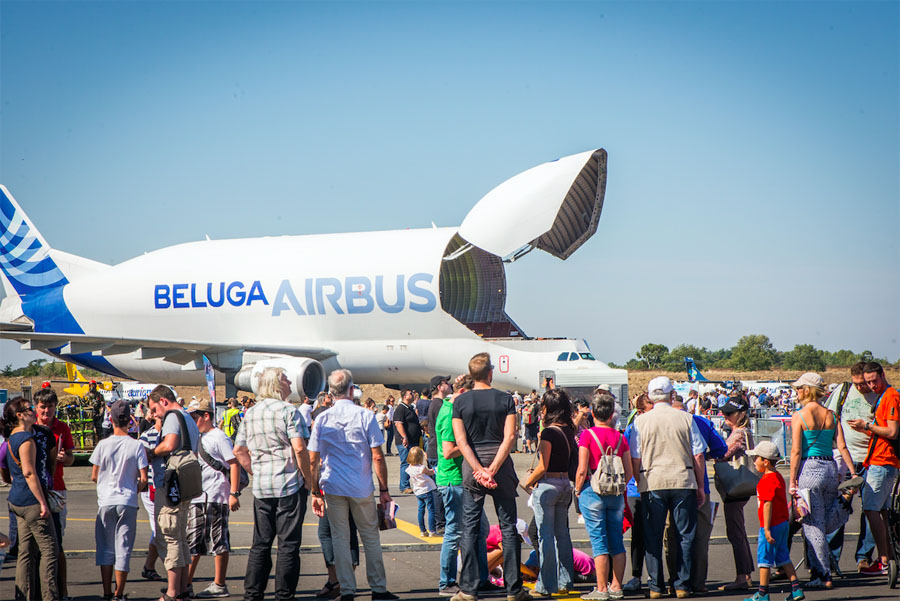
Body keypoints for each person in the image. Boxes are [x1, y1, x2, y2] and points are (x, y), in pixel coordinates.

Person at [308, 368, 399, 601]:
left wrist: (314, 491)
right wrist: (385, 490)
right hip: (360, 486)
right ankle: (378, 588)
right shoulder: (365, 416)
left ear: (331, 392)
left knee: (340, 537)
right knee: (370, 537)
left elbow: (313, 459)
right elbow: (377, 456)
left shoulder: (322, 418)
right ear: (351, 390)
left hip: (333, 485)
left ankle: (347, 589)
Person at [451, 352, 530, 601]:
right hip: (501, 469)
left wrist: (478, 469)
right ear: (490, 373)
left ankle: (469, 589)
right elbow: (509, 437)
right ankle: (514, 589)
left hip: (473, 470)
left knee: (470, 529)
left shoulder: (460, 402)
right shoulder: (505, 399)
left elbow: (461, 442)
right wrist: (493, 468)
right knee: (508, 527)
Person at [233, 367, 311, 601]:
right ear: (278, 385)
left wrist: (255, 470)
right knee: (288, 545)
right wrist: (309, 480)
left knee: (261, 543)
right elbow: (299, 448)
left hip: (263, 487)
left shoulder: (251, 413)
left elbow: (239, 450)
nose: (290, 383)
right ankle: (284, 595)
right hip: (288, 483)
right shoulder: (289, 411)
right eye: (286, 380)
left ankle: (253, 593)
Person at [629, 376, 707, 600]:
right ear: (672, 395)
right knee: (685, 534)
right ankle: (681, 584)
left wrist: (639, 479)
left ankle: (655, 586)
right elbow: (699, 454)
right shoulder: (685, 418)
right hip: (683, 479)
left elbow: (635, 457)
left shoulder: (640, 422)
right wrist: (701, 485)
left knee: (652, 536)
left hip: (652, 481)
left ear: (650, 396)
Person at [788, 372, 857, 589]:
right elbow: (842, 446)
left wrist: (792, 480)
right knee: (824, 519)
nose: (796, 392)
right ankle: (822, 568)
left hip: (810, 469)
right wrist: (853, 474)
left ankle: (822, 573)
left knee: (812, 523)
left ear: (807, 390)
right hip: (830, 467)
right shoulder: (831, 415)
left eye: (799, 388)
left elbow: (796, 451)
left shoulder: (799, 416)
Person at [435, 374, 493, 597]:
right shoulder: (450, 413)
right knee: (455, 531)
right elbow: (449, 451)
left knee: (480, 530)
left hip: (461, 480)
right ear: (461, 393)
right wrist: (468, 443)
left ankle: (480, 577)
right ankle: (447, 581)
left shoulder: (452, 408)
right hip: (454, 480)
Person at [574, 390, 634, 600]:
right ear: (611, 415)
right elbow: (629, 471)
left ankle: (601, 588)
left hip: (593, 491)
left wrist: (578, 490)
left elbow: (582, 469)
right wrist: (618, 486)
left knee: (599, 541)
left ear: (593, 413)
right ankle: (617, 586)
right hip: (616, 493)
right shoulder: (619, 437)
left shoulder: (587, 436)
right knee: (616, 540)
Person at [667, 394, 727, 594]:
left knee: (674, 536)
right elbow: (721, 449)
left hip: (672, 484)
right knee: (700, 537)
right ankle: (698, 582)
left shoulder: (664, 422)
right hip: (700, 486)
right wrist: (704, 458)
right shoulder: (702, 422)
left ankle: (676, 582)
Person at [1, 395, 59, 601]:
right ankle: (50, 597)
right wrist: (42, 501)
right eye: (29, 409)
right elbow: (29, 472)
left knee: (25, 552)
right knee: (50, 552)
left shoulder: (10, 439)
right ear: (20, 416)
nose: (34, 412)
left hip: (16, 500)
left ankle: (23, 596)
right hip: (31, 501)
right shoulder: (26, 439)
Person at [91, 400, 149, 601]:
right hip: (128, 500)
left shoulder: (102, 445)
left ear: (111, 419)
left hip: (106, 500)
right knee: (123, 548)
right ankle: (119, 593)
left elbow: (94, 475)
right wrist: (134, 488)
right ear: (129, 421)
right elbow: (143, 478)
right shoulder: (137, 445)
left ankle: (107, 592)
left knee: (106, 548)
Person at [147, 384, 201, 601]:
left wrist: (151, 452)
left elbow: (169, 444)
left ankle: (172, 592)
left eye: (154, 409)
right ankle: (182, 588)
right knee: (180, 537)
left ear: (163, 401)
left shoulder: (171, 416)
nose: (153, 415)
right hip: (186, 484)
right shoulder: (188, 418)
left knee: (169, 537)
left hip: (171, 485)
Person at [847, 361, 900, 580]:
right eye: (868, 382)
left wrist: (866, 426)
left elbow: (892, 431)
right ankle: (886, 559)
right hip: (879, 460)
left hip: (883, 461)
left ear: (882, 375)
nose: (871, 385)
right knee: (882, 511)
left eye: (873, 380)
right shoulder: (884, 396)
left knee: (871, 510)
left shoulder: (890, 396)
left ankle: (885, 561)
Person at [521, 389, 576, 597]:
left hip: (548, 485)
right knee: (562, 535)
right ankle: (565, 581)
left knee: (546, 537)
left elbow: (543, 465)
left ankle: (546, 585)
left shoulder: (549, 432)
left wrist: (529, 481)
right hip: (564, 483)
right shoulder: (569, 429)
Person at [825, 362, 877, 572]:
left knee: (871, 510)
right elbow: (828, 417)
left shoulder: (881, 394)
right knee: (838, 508)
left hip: (872, 459)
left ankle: (864, 557)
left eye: (864, 383)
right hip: (845, 460)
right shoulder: (843, 391)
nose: (861, 387)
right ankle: (830, 558)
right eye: (857, 383)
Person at [186, 398, 241, 598]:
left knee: (218, 541)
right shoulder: (200, 437)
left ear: (206, 416)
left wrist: (233, 493)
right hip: (199, 497)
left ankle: (219, 584)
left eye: (194, 417)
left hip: (216, 495)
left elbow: (233, 463)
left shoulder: (219, 437)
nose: (192, 421)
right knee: (192, 541)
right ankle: (186, 584)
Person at [744, 441, 805, 601]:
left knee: (764, 561)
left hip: (771, 525)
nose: (754, 461)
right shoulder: (778, 476)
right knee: (784, 557)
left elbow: (767, 505)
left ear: (765, 461)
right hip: (783, 523)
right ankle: (796, 589)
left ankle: (762, 594)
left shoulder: (765, 481)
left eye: (756, 458)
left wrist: (766, 528)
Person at [34, 387, 75, 601]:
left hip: (56, 490)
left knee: (57, 543)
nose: (46, 411)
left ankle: (63, 590)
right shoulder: (30, 428)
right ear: (36, 407)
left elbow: (71, 458)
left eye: (50, 407)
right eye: (42, 407)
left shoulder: (62, 428)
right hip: (34, 491)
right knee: (34, 547)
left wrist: (63, 458)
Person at [716, 397, 756, 591]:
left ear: (740, 415)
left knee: (735, 531)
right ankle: (745, 572)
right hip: (741, 485)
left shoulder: (738, 433)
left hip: (735, 486)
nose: (724, 416)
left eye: (729, 413)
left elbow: (722, 454)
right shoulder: (743, 431)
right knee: (737, 530)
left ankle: (742, 576)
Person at [622, 393, 650, 593]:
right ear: (639, 412)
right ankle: (636, 575)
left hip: (654, 485)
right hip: (636, 488)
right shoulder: (633, 428)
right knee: (638, 534)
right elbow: (628, 457)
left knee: (657, 533)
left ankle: (656, 576)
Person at [139, 405, 165, 581]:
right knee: (160, 528)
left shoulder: (173, 434)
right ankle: (173, 571)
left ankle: (149, 566)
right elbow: (140, 460)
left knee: (161, 528)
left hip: (168, 488)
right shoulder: (146, 436)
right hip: (151, 488)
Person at [393, 389, 421, 493]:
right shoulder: (401, 409)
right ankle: (404, 486)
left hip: (413, 441)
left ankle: (412, 484)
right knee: (406, 462)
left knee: (413, 463)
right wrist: (404, 437)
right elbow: (398, 424)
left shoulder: (410, 408)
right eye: (410, 394)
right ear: (405, 396)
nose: (413, 395)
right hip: (405, 442)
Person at [407, 446, 438, 537]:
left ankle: (422, 530)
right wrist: (435, 469)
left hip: (418, 491)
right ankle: (432, 530)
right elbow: (430, 472)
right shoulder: (422, 468)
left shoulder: (409, 468)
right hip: (426, 490)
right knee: (431, 510)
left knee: (421, 510)